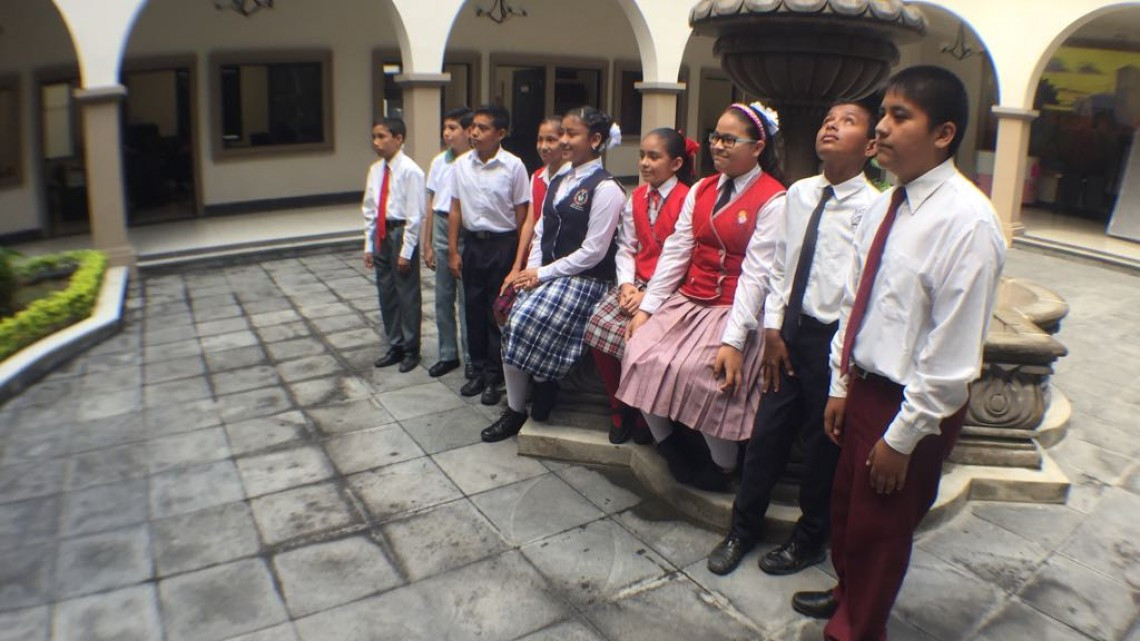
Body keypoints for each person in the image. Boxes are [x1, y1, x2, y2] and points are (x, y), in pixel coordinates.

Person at [790, 66, 1005, 641]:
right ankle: (847, 596)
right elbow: (853, 299)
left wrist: (902, 437)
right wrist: (841, 384)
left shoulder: (968, 222)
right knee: (846, 514)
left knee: (880, 531)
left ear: (943, 133)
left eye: (898, 116)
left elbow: (952, 356)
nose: (880, 128)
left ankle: (857, 628)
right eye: (881, 114)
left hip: (910, 403)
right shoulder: (886, 206)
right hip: (862, 386)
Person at [706, 96, 880, 577]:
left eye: (847, 123)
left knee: (822, 447)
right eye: (827, 120)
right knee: (766, 437)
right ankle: (743, 528)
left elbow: (857, 292)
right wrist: (773, 328)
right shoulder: (799, 193)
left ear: (869, 145)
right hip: (788, 335)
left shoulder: (875, 208)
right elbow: (780, 268)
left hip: (832, 340)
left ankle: (809, 540)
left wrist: (841, 373)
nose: (831, 127)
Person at [617, 102, 787, 491]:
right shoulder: (703, 188)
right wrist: (648, 308)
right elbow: (677, 250)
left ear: (757, 147)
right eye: (715, 137)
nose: (718, 146)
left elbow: (757, 275)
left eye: (730, 139)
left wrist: (734, 340)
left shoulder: (774, 198)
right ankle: (670, 444)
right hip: (692, 298)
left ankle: (723, 466)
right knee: (639, 350)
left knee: (713, 376)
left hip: (734, 305)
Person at [481, 107, 625, 442]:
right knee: (508, 308)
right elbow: (542, 230)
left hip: (586, 278)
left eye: (571, 134)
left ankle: (537, 391)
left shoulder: (606, 188)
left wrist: (542, 274)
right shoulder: (558, 179)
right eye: (563, 133)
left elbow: (593, 252)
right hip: (550, 272)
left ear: (596, 140)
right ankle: (524, 403)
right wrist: (529, 271)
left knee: (524, 317)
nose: (562, 141)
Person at [583, 127, 697, 444]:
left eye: (654, 156)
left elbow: (685, 258)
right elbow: (626, 247)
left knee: (643, 339)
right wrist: (627, 286)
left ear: (675, 163)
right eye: (642, 155)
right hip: (636, 283)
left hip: (671, 288)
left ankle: (646, 410)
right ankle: (619, 406)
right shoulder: (637, 197)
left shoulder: (689, 199)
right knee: (596, 325)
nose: (645, 163)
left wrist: (649, 296)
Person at [447, 104, 530, 405]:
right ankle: (479, 370)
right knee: (473, 308)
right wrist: (454, 250)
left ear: (501, 133)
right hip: (474, 246)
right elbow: (455, 208)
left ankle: (495, 378)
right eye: (473, 127)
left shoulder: (514, 166)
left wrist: (518, 259)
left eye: (482, 128)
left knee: (497, 311)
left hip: (502, 246)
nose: (474, 132)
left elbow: (522, 215)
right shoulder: (460, 165)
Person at [364, 117, 425, 373]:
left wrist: (406, 251)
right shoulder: (376, 170)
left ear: (398, 138)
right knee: (386, 290)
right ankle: (395, 344)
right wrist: (369, 245)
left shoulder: (411, 171)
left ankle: (411, 348)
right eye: (374, 137)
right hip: (381, 231)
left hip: (401, 232)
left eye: (382, 136)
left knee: (407, 293)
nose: (376, 142)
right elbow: (369, 209)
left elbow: (415, 215)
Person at [422, 107, 474, 379]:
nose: (447, 133)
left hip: (466, 229)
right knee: (442, 297)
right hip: (442, 226)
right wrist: (428, 243)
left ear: (468, 131)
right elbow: (431, 204)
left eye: (453, 128)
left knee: (467, 299)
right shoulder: (439, 161)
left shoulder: (474, 163)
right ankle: (447, 354)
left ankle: (470, 357)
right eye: (445, 128)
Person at [503, 116, 571, 292]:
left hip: (560, 263)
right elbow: (530, 222)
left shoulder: (574, 179)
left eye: (551, 140)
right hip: (535, 257)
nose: (543, 146)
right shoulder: (537, 177)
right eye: (540, 139)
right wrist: (517, 266)